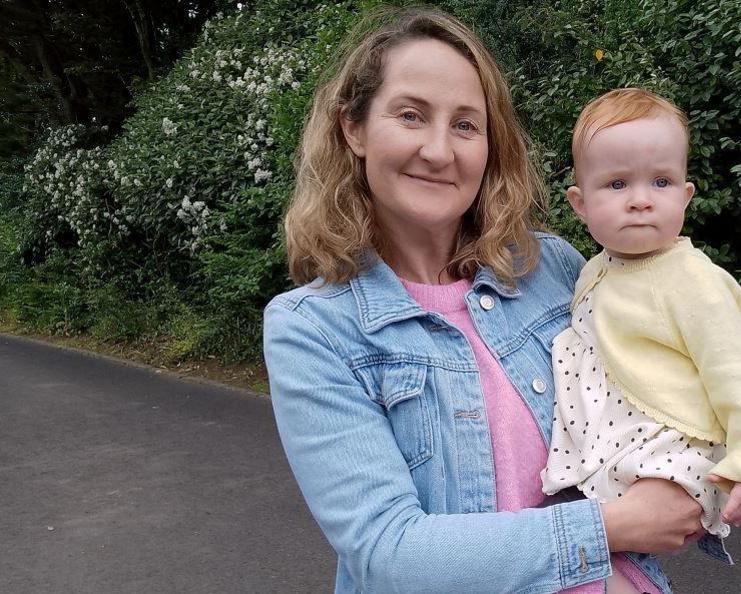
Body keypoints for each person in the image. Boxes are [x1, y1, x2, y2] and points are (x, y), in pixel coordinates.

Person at [263, 8, 701, 594]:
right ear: (354, 128)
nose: (440, 151)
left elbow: (653, 401)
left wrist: (692, 479)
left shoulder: (553, 268)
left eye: (466, 125)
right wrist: (612, 526)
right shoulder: (312, 329)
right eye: (411, 115)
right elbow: (391, 553)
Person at [540, 88, 741, 564]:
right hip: (601, 445)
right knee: (585, 558)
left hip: (670, 444)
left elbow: (738, 374)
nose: (640, 201)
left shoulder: (695, 281)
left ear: (686, 195)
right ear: (580, 203)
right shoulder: (592, 270)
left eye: (661, 182)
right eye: (616, 185)